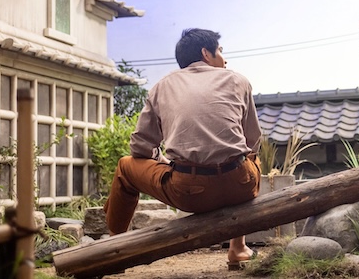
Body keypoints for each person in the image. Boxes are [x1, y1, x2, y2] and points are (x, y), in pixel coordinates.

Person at [103, 28, 262, 270]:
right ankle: (238, 247)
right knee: (251, 158)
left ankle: (115, 249)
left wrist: (161, 160)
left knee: (125, 166)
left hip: (189, 192)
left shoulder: (162, 87)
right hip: (240, 185)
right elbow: (253, 139)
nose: (225, 59)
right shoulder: (239, 80)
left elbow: (140, 146)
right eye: (220, 51)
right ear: (206, 53)